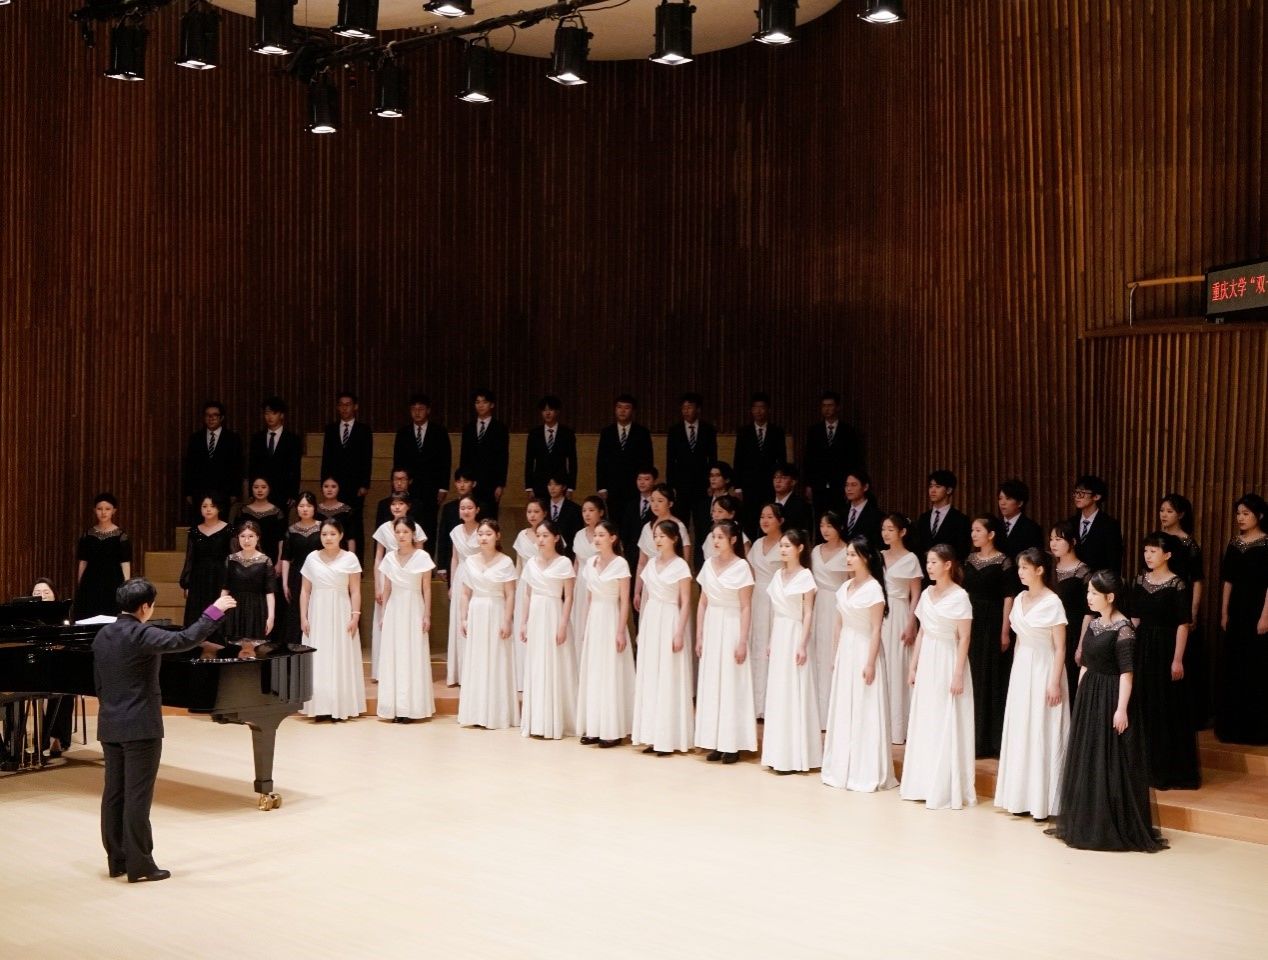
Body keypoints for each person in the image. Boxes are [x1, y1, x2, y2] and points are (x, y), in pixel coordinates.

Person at [94, 579, 234, 882]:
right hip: (140, 727)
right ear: (145, 607)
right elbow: (186, 639)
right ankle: (141, 865)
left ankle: (117, 860)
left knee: (114, 794)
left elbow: (100, 683)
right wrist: (214, 610)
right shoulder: (141, 634)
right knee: (137, 797)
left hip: (110, 724)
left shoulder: (103, 635)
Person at [1047, 571, 1167, 851]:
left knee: (1110, 759)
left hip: (1111, 696)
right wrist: (1080, 697)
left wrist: (1121, 709)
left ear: (1110, 597)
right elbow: (1086, 664)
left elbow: (1127, 673)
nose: (1088, 597)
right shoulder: (1093, 624)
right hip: (1090, 694)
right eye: (1088, 592)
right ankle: (1086, 820)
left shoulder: (1125, 629)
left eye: (1093, 593)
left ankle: (1109, 824)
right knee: (1088, 756)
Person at [995, 548, 1069, 820]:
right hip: (1023, 667)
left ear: (1039, 570)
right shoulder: (1019, 599)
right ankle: (1019, 796)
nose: (1020, 572)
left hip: (1044, 667)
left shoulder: (1053, 602)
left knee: (1040, 728)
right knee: (1021, 728)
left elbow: (1060, 648)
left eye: (1025, 568)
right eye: (1019, 567)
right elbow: (1019, 640)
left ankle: (1043, 801)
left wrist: (1054, 682)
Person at [900, 544, 975, 810]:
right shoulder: (926, 594)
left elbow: (964, 637)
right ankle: (921, 781)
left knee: (945, 718)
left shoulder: (960, 597)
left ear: (948, 565)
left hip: (947, 658)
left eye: (934, 562)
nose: (929, 566)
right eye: (928, 562)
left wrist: (958, 674)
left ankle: (943, 785)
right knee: (926, 717)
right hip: (928, 659)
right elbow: (922, 631)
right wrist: (913, 666)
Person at [821, 537, 895, 792]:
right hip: (847, 650)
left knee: (865, 706)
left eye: (853, 554)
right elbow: (838, 624)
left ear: (866, 558)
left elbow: (876, 630)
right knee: (844, 705)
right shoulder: (844, 587)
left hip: (864, 649)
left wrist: (871, 663)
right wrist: (835, 655)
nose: (848, 558)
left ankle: (864, 769)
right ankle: (842, 766)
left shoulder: (874, 589)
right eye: (848, 554)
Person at [1128, 533, 1200, 789]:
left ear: (1167, 555)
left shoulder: (1177, 584)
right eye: (1146, 551)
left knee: (1165, 706)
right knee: (1142, 703)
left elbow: (1182, 624)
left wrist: (1177, 659)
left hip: (1166, 648)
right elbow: (1134, 618)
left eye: (1153, 551)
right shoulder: (1139, 580)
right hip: (1143, 647)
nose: (1148, 556)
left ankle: (1165, 769)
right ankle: (1141, 768)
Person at [694, 519, 757, 764]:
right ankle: (714, 740)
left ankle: (732, 743)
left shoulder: (742, 567)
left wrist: (742, 640)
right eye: (714, 537)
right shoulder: (708, 564)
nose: (716, 541)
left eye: (721, 537)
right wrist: (700, 634)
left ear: (733, 540)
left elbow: (746, 606)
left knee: (731, 682)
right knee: (712, 682)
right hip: (712, 625)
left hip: (731, 626)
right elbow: (702, 602)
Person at [631, 520, 695, 755]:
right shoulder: (650, 563)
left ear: (674, 539)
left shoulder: (680, 566)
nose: (657, 540)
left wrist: (679, 631)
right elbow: (647, 596)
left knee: (668, 674)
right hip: (651, 619)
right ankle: (651, 735)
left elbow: (685, 602)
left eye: (662, 536)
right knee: (650, 675)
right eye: (655, 536)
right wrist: (642, 629)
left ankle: (669, 737)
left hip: (669, 617)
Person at [761, 529, 820, 774]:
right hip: (780, 633)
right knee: (779, 691)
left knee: (794, 690)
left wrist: (803, 643)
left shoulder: (805, 576)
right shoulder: (777, 575)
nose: (783, 549)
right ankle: (776, 753)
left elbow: (808, 613)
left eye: (787, 546)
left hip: (795, 633)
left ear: (800, 548)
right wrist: (771, 640)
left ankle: (794, 756)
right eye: (781, 545)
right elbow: (775, 612)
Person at [299, 518, 365, 721]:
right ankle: (319, 706)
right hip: (318, 611)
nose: (328, 538)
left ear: (341, 535)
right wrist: (303, 617)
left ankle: (339, 706)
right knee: (318, 656)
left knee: (339, 655)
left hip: (341, 611)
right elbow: (305, 590)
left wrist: (355, 616)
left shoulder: (350, 558)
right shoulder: (312, 558)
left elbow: (355, 590)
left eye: (333, 534)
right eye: (324, 534)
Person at [576, 521, 635, 748]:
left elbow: (624, 601)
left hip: (611, 618)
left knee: (610, 671)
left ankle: (612, 729)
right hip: (595, 619)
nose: (597, 539)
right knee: (594, 671)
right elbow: (589, 597)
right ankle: (594, 726)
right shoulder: (591, 563)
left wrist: (620, 631)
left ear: (612, 538)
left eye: (602, 535)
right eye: (596, 535)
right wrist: (585, 626)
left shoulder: (620, 564)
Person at [1216, 492, 1268, 744]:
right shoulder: (1234, 544)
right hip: (1236, 612)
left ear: (1260, 516)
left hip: (1258, 611)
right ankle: (1231, 728)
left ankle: (1255, 730)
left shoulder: (1267, 544)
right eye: (1238, 513)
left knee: (1256, 669)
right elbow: (1228, 580)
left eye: (1246, 513)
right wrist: (1224, 612)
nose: (1240, 518)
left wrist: (1265, 616)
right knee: (1233, 667)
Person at [457, 519, 519, 729]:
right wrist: (463, 618)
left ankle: (495, 714)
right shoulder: (470, 561)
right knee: (477, 659)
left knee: (496, 658)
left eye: (488, 534)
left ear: (497, 536)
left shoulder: (506, 562)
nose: (483, 538)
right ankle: (475, 712)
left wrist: (507, 620)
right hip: (477, 611)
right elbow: (465, 593)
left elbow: (510, 594)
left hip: (496, 610)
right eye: (480, 534)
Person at [963, 515, 1016, 759]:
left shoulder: (1004, 561)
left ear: (991, 534)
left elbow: (1008, 596)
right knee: (973, 676)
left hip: (994, 622)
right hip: (972, 620)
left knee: (992, 677)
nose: (973, 534)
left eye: (978, 530)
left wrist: (1005, 629)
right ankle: (971, 738)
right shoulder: (969, 560)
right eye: (972, 530)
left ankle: (991, 741)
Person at [519, 520, 577, 740]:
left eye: (545, 535)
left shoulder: (564, 562)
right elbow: (527, 594)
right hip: (536, 615)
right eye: (538, 536)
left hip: (554, 613)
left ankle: (555, 721)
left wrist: (563, 624)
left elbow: (568, 596)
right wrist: (524, 622)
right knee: (536, 664)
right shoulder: (531, 563)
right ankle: (536, 720)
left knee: (555, 663)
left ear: (556, 538)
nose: (541, 540)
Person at [376, 518, 436, 722]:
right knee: (393, 655)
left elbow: (427, 588)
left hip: (414, 607)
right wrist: (383, 614)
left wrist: (427, 615)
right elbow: (387, 588)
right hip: (394, 608)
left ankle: (411, 708)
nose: (401, 535)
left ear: (413, 534)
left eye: (405, 532)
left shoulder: (422, 557)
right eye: (398, 532)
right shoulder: (389, 558)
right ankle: (393, 707)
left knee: (412, 654)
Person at [1158, 493, 1208, 728]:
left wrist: (1193, 612)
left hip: (1179, 605)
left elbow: (1197, 580)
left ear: (1181, 514)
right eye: (1162, 510)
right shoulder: (1157, 541)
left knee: (1182, 658)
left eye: (1169, 511)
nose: (1163, 515)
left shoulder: (1189, 543)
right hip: (1158, 604)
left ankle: (1183, 714)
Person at [370, 497, 427, 681]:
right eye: (394, 504)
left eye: (401, 503)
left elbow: (420, 558)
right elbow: (378, 558)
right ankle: (383, 670)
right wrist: (378, 585)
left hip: (409, 579)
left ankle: (409, 672)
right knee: (385, 624)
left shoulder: (416, 528)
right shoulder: (383, 528)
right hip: (389, 574)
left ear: (408, 506)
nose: (396, 507)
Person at [880, 513, 921, 744]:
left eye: (890, 529)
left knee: (897, 666)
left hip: (900, 612)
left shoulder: (911, 558)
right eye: (883, 529)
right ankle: (880, 724)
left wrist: (911, 621)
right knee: (882, 664)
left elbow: (915, 594)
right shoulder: (879, 555)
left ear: (902, 532)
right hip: (881, 612)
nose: (885, 533)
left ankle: (898, 727)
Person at [391, 393, 451, 547]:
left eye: (421, 409)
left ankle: (427, 559)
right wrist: (397, 486)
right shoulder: (403, 433)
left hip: (431, 488)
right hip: (408, 487)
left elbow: (445, 461)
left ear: (428, 410)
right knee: (408, 523)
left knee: (429, 524)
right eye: (414, 409)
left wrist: (443, 487)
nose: (417, 412)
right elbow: (397, 462)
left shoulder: (439, 432)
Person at [320, 392, 374, 558]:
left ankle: (357, 562)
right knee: (333, 522)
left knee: (355, 523)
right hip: (334, 484)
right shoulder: (330, 429)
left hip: (355, 486)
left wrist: (364, 484)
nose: (344, 408)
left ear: (355, 407)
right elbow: (326, 458)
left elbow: (367, 458)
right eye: (341, 405)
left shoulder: (364, 430)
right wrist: (325, 483)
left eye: (348, 404)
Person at [810, 511, 850, 729]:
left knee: (833, 654)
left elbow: (853, 581)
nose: (825, 530)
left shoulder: (847, 551)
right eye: (822, 525)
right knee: (816, 654)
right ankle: (815, 713)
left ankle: (833, 714)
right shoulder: (815, 550)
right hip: (817, 604)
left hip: (837, 605)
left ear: (839, 527)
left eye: (829, 526)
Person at [732, 391, 786, 539]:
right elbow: (738, 460)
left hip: (769, 485)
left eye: (762, 407)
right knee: (749, 522)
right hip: (748, 486)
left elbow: (782, 461)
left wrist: (779, 484)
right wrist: (737, 487)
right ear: (751, 410)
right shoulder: (744, 432)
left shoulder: (777, 432)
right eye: (755, 407)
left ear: (768, 410)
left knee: (768, 520)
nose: (759, 411)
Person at [595, 393, 655, 525]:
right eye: (619, 407)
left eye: (626, 408)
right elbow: (601, 461)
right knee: (615, 520)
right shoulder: (607, 432)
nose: (622, 411)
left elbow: (648, 461)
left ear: (633, 411)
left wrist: (646, 485)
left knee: (634, 520)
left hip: (635, 486)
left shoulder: (642, 432)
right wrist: (601, 487)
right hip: (613, 486)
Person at [747, 503, 784, 719]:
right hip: (757, 597)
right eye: (762, 516)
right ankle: (756, 703)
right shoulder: (757, 544)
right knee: (757, 645)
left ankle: (773, 704)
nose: (765, 521)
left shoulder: (785, 543)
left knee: (774, 646)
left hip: (777, 598)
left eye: (770, 517)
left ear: (780, 520)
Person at [220, 520, 277, 656]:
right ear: (238, 538)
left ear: (258, 538)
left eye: (251, 536)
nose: (246, 540)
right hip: (234, 609)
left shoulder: (265, 560)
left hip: (257, 609)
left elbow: (270, 592)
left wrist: (271, 617)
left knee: (255, 652)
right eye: (243, 536)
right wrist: (218, 612)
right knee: (233, 651)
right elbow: (225, 588)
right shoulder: (231, 559)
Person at [802, 391, 862, 517]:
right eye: (824, 406)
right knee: (819, 518)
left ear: (837, 407)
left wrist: (849, 486)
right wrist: (808, 485)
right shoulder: (814, 431)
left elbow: (854, 461)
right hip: (819, 485)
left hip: (839, 485)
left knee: (839, 517)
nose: (827, 409)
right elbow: (809, 460)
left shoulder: (848, 431)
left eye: (830, 405)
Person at [181, 401, 243, 521]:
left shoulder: (232, 439)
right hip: (199, 492)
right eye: (208, 415)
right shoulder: (195, 438)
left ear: (222, 418)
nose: (211, 418)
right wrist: (188, 492)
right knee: (200, 525)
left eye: (215, 415)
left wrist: (234, 493)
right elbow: (189, 467)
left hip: (223, 493)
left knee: (221, 526)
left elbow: (236, 467)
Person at [73, 493, 132, 619]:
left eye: (107, 509)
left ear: (114, 511)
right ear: (95, 510)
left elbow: (125, 563)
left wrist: (125, 588)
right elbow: (83, 562)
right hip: (91, 582)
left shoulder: (121, 536)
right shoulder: (87, 535)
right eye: (100, 509)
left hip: (114, 582)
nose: (103, 512)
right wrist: (80, 585)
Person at [634, 484, 693, 609]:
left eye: (660, 501)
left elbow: (685, 561)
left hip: (671, 583)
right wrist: (637, 591)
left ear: (670, 503)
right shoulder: (647, 527)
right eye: (652, 500)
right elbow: (641, 563)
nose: (655, 505)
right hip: (651, 581)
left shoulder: (678, 527)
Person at [1050, 522, 1091, 699]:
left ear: (1072, 542)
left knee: (1069, 682)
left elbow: (1088, 612)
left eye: (1059, 539)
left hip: (1072, 632)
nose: (1053, 543)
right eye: (1051, 539)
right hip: (1048, 632)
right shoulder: (1048, 568)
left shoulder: (1083, 572)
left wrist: (1081, 644)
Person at [178, 495, 232, 627]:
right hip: (198, 577)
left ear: (219, 508)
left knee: (217, 609)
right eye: (204, 506)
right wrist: (187, 583)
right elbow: (190, 558)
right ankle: (198, 636)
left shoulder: (229, 530)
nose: (208, 509)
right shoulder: (194, 531)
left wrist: (230, 581)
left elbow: (233, 557)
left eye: (212, 506)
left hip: (220, 576)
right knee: (198, 610)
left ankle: (216, 636)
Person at [445, 495, 482, 686]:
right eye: (462, 508)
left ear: (477, 510)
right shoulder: (455, 531)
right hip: (460, 576)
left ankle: (476, 672)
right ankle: (459, 673)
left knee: (476, 619)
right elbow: (454, 558)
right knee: (460, 621)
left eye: (469, 507)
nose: (466, 511)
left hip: (479, 576)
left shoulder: (483, 530)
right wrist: (452, 584)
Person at [458, 388, 509, 520]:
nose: (480, 405)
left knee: (489, 518)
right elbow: (464, 457)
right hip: (471, 482)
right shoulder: (468, 428)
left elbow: (503, 458)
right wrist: (463, 481)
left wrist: (500, 484)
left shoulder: (500, 428)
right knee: (470, 516)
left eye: (484, 402)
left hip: (491, 482)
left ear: (492, 405)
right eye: (477, 402)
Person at [512, 500, 547, 692]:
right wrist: (517, 588)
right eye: (529, 511)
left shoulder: (549, 533)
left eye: (536, 511)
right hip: (525, 585)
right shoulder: (521, 535)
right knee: (523, 629)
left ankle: (540, 676)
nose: (532, 515)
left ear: (544, 513)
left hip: (543, 586)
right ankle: (523, 677)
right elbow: (519, 564)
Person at [281, 493, 323, 646]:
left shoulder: (322, 527)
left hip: (319, 574)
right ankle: (297, 646)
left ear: (315, 508)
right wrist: (285, 583)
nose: (305, 509)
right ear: (297, 508)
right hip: (297, 575)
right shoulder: (291, 530)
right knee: (296, 610)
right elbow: (286, 558)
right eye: (301, 506)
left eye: (309, 506)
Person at [570, 496, 606, 669]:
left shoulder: (605, 534)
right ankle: (579, 666)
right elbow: (577, 562)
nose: (587, 514)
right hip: (581, 583)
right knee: (579, 622)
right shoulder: (579, 534)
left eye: (591, 510)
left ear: (601, 512)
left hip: (599, 583)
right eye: (584, 510)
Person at [248, 396, 302, 510]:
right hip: (260, 492)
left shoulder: (293, 439)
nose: (269, 417)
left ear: (281, 415)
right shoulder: (257, 438)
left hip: (282, 494)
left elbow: (295, 469)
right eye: (266, 413)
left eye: (274, 413)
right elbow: (252, 467)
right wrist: (250, 493)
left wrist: (293, 494)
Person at [665, 392, 717, 509]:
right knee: (681, 515)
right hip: (681, 484)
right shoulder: (674, 430)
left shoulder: (708, 429)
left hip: (702, 483)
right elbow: (670, 460)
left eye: (689, 407)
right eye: (684, 408)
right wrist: (670, 485)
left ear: (698, 409)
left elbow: (713, 458)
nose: (686, 411)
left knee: (702, 515)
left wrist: (712, 483)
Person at [524, 395, 578, 501]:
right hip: (539, 484)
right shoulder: (534, 434)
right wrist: (529, 487)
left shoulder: (567, 433)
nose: (547, 413)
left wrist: (570, 487)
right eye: (544, 410)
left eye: (551, 410)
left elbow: (573, 462)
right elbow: (529, 461)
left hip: (561, 484)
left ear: (557, 412)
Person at [1070, 475, 1124, 575]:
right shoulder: (1071, 522)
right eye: (1076, 492)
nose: (1077, 496)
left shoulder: (1110, 525)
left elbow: (1114, 561)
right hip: (1073, 579)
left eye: (1082, 493)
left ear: (1096, 496)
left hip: (1098, 580)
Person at [914, 470, 971, 562]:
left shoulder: (961, 519)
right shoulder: (923, 518)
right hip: (924, 567)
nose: (932, 490)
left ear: (949, 490)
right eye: (930, 486)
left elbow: (962, 552)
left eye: (938, 486)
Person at [236, 477, 286, 570]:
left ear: (269, 489)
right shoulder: (243, 511)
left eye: (263, 487)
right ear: (251, 489)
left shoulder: (277, 512)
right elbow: (236, 537)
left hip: (272, 558)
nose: (259, 490)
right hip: (246, 558)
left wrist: (279, 562)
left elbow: (281, 540)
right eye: (256, 487)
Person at [436, 468, 480, 574]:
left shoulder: (482, 507)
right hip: (452, 559)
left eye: (466, 481)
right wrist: (441, 566)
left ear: (473, 484)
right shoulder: (448, 508)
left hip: (477, 561)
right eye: (459, 482)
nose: (462, 485)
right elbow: (443, 537)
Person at [693, 461, 737, 550]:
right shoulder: (702, 504)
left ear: (727, 479)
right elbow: (699, 535)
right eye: (711, 475)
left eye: (717, 475)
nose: (713, 479)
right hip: (705, 552)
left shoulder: (734, 503)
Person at [998, 479, 1044, 560]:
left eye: (1008, 498)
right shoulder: (995, 525)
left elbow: (1035, 559)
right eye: (1000, 498)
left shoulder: (1032, 529)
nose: (1002, 503)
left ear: (1020, 503)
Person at [316, 477, 358, 557]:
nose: (329, 489)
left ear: (339, 489)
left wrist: (351, 558)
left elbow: (351, 537)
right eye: (326, 486)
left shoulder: (347, 511)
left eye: (333, 486)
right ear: (321, 489)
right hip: (319, 554)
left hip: (342, 554)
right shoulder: (315, 511)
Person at [842, 470, 883, 550]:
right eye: (847, 485)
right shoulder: (841, 512)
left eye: (854, 485)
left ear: (865, 487)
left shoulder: (877, 516)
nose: (849, 489)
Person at [770, 463, 812, 535]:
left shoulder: (802, 506)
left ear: (793, 482)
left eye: (783, 477)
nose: (778, 481)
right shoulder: (768, 504)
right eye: (775, 477)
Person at [543, 474, 583, 546]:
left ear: (564, 487)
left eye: (556, 484)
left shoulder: (575, 509)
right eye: (549, 484)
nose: (552, 488)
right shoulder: (542, 506)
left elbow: (577, 534)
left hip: (568, 549)